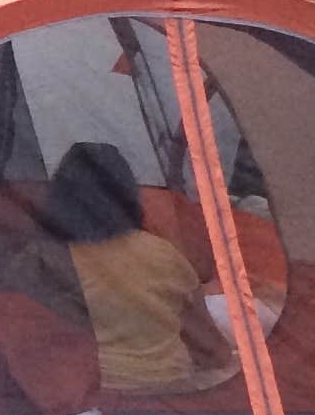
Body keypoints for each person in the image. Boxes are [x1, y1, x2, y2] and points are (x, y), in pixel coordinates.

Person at [38, 142, 220, 397]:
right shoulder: (163, 254)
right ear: (128, 193)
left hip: (90, 399)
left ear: (58, 196)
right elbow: (212, 350)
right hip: (171, 396)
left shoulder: (42, 261)